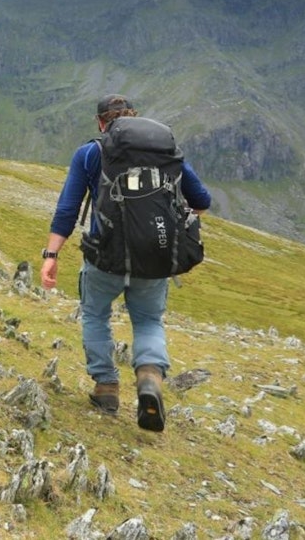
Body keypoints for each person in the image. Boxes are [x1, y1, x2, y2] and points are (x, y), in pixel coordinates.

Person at [39, 94, 212, 431]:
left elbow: (67, 210)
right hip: (156, 258)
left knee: (95, 314)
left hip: (105, 258)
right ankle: (149, 378)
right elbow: (202, 202)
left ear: (101, 123)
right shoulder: (165, 153)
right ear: (135, 119)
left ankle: (106, 388)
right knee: (148, 320)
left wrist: (51, 255)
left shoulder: (90, 153)